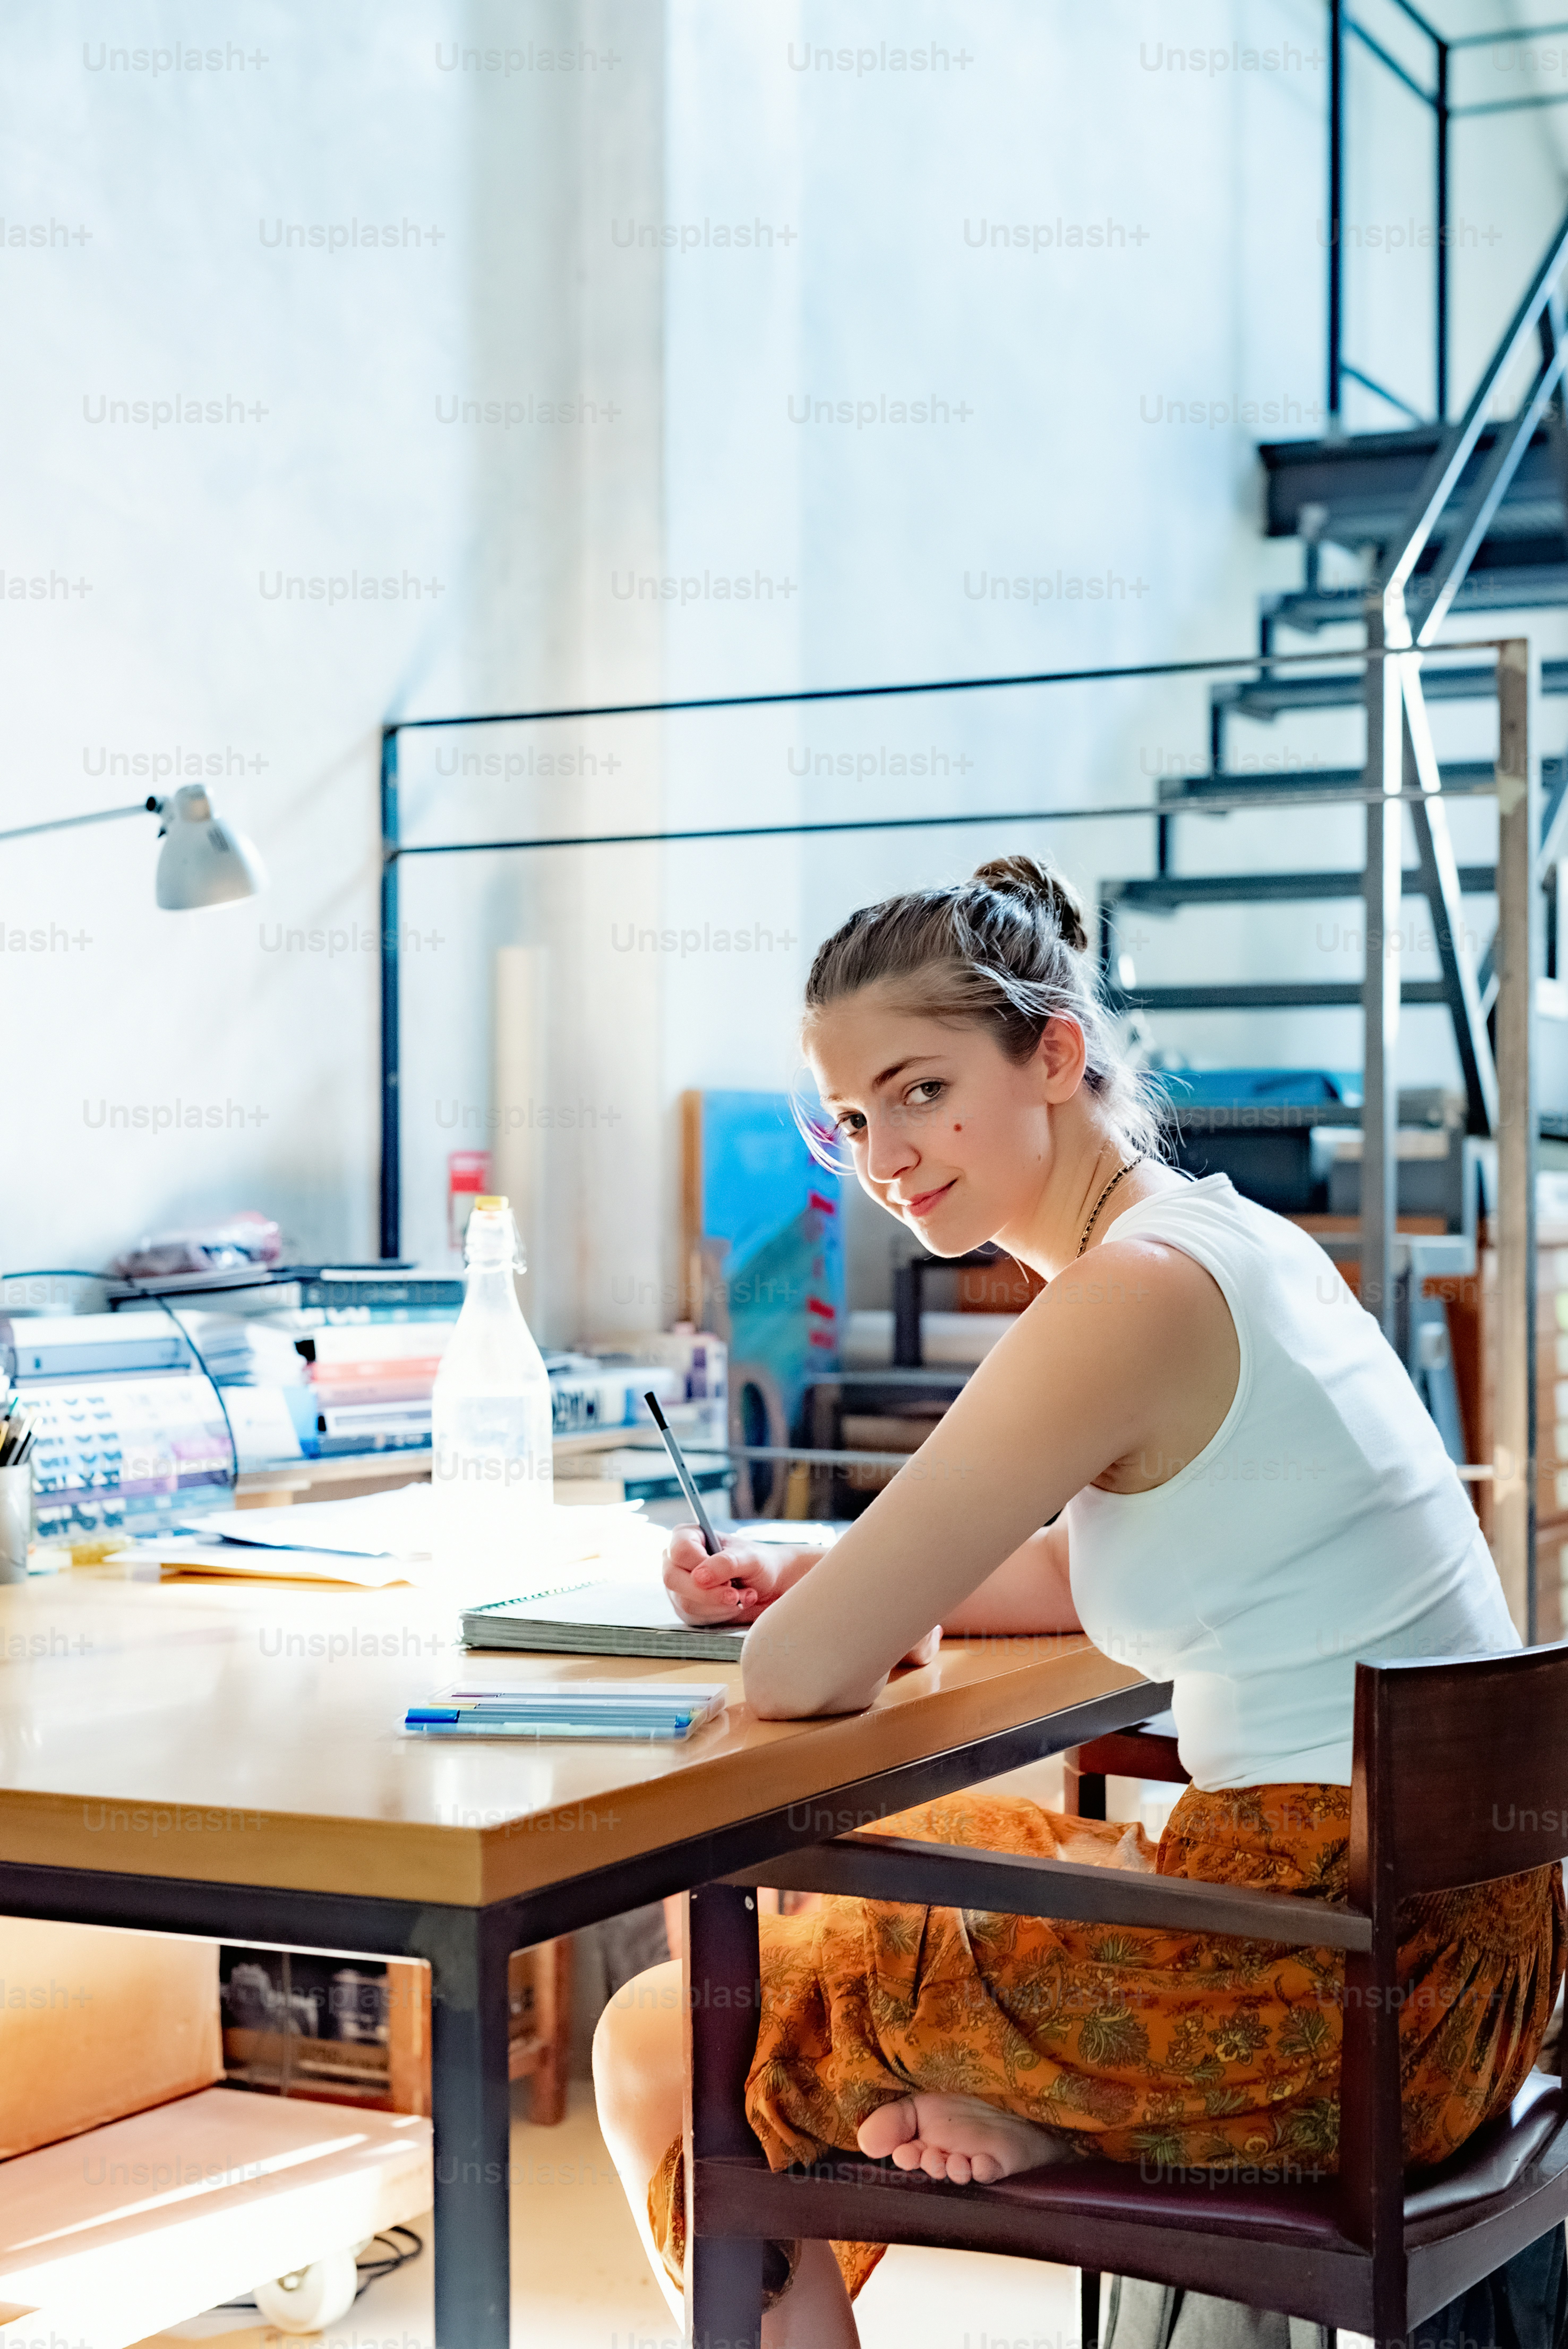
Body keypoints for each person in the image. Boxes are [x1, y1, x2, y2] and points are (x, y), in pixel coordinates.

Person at [593, 854, 1565, 2348]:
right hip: (1454, 1952)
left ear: (1054, 1054)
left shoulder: (1128, 1295)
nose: (883, 1154)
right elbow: (1086, 1569)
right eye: (853, 1118)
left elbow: (794, 1679)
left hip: (1331, 1983)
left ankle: (1042, 2114)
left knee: (674, 2022)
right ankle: (1035, 2112)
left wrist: (827, 1613)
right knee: (897, 1872)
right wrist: (823, 1577)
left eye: (920, 1090)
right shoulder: (1225, 1245)